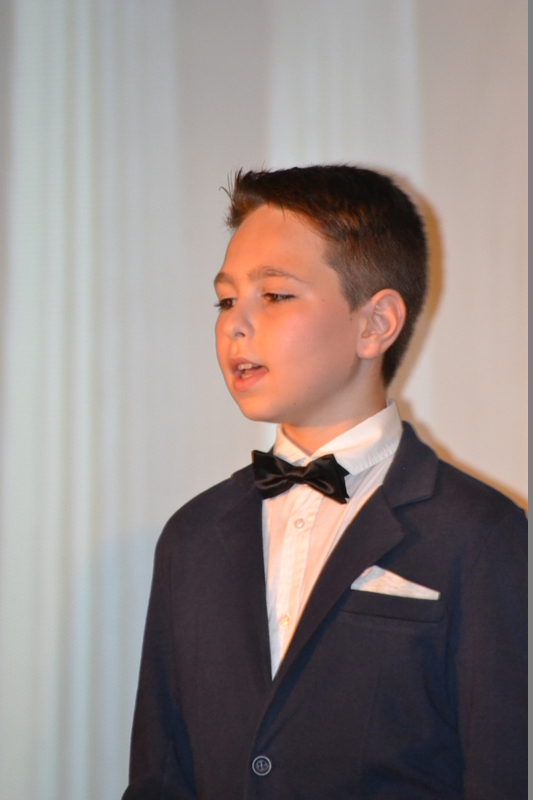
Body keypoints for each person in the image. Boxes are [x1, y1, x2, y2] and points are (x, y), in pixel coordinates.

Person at [122, 165, 527, 800]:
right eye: (226, 300)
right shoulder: (191, 537)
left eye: (275, 295)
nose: (234, 324)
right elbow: (159, 778)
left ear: (375, 324)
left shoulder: (480, 533)